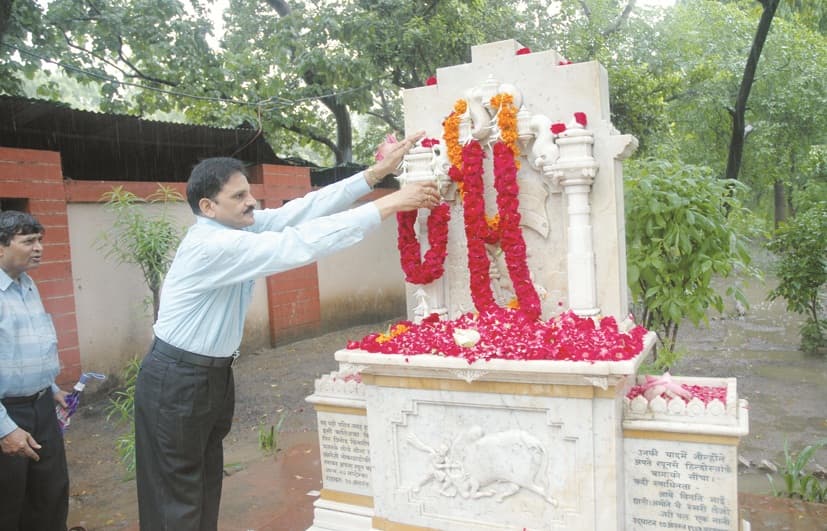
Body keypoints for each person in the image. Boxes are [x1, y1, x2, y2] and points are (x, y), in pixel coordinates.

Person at [134, 132, 440, 530]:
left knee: (203, 485)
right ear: (208, 207)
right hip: (176, 380)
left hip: (208, 377)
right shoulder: (212, 245)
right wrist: (390, 203)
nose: (251, 202)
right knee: (176, 499)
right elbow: (297, 244)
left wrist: (374, 175)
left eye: (249, 192)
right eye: (239, 196)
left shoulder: (238, 228)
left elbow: (301, 211)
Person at [0, 210, 76, 531]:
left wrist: (53, 388)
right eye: (29, 241)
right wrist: (4, 429)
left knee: (49, 493)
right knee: (9, 502)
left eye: (40, 240)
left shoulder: (28, 285)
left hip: (41, 407)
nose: (39, 248)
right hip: (8, 413)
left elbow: (29, 345)